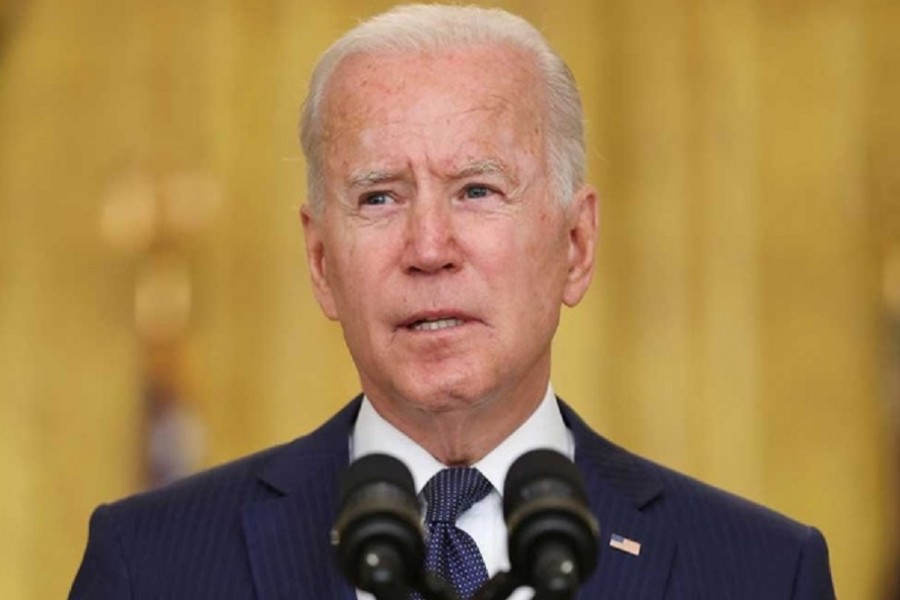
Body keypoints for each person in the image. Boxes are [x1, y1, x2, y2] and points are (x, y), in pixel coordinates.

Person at [70, 4, 836, 599]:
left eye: (476, 190)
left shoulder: (762, 572)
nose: (429, 247)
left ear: (575, 245)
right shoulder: (151, 563)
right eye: (379, 196)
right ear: (320, 260)